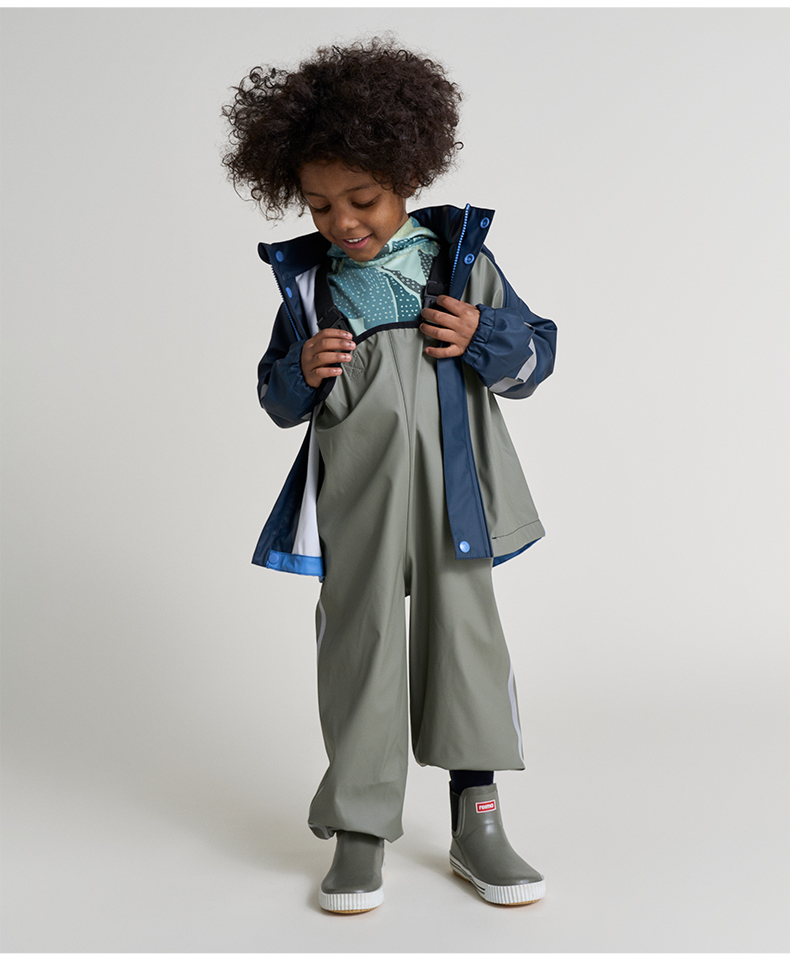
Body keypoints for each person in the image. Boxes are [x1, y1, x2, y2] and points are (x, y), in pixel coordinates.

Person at [222, 37, 557, 914]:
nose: (342, 221)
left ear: (407, 175)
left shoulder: (461, 264)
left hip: (456, 497)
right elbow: (276, 398)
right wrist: (301, 369)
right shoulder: (309, 289)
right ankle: (360, 829)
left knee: (464, 644)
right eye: (320, 204)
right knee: (360, 646)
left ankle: (478, 822)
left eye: (362, 198)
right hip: (356, 501)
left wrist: (482, 334)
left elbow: (537, 357)